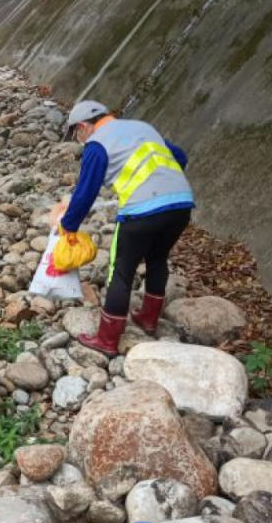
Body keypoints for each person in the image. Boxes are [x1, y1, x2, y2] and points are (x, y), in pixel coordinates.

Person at [60, 100, 194, 357]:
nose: (79, 138)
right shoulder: (142, 127)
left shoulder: (96, 145)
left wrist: (69, 226)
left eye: (76, 133)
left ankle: (107, 339)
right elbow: (180, 158)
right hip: (181, 205)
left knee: (121, 269)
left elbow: (85, 193)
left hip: (141, 213)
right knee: (157, 258)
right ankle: (148, 319)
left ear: (83, 126)